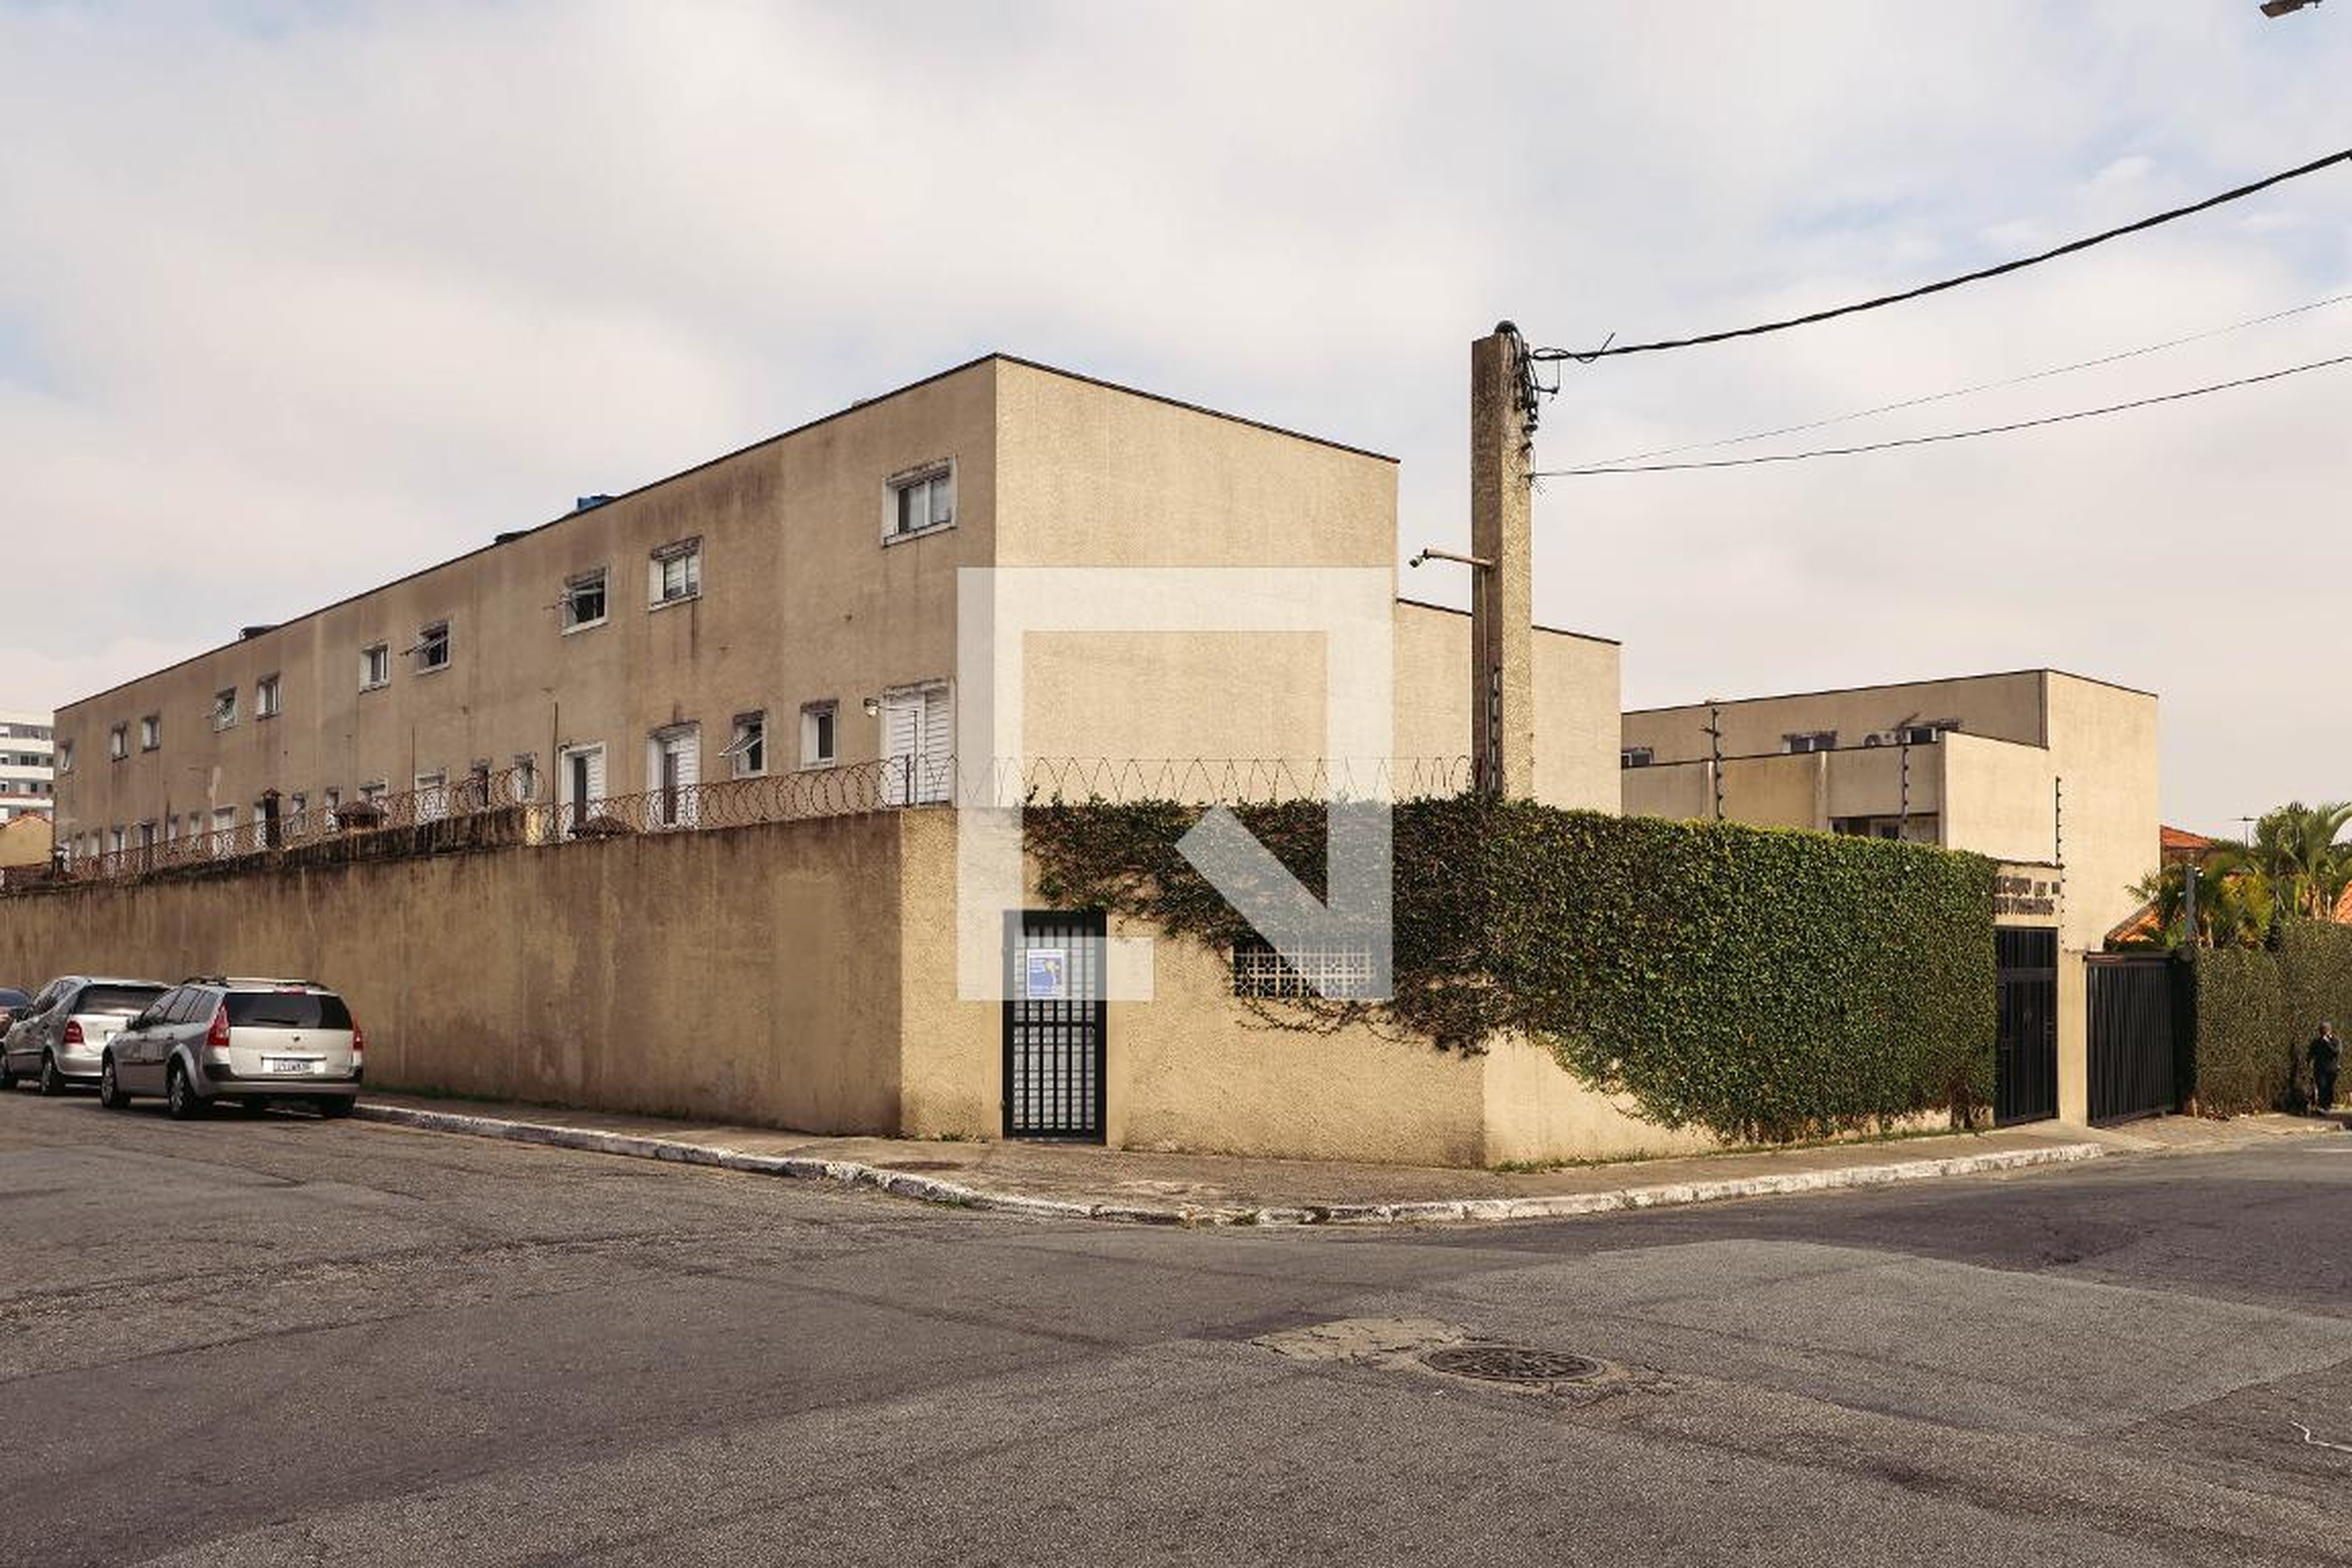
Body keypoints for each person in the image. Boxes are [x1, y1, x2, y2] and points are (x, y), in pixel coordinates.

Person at [2311, 1022, 2342, 1114]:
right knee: (2321, 1086)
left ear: (2329, 1030)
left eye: (2324, 1030)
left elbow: (2336, 1052)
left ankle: (2327, 1105)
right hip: (2319, 1068)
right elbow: (2312, 1052)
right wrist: (2308, 1061)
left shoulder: (2336, 1040)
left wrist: (2327, 1042)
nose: (2322, 1032)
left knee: (2328, 1087)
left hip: (2331, 1069)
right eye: (2320, 1030)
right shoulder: (2317, 1041)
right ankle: (2322, 1106)